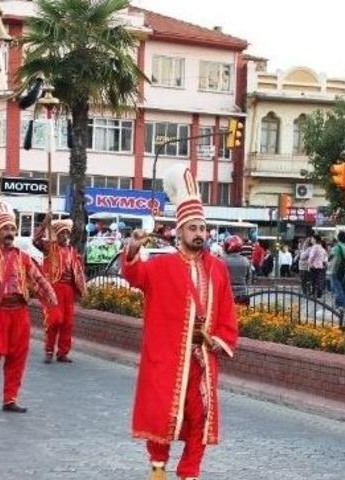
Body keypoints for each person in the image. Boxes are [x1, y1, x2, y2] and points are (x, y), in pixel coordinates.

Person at [122, 166, 238, 480]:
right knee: (162, 415)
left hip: (202, 358)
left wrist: (220, 339)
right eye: (193, 228)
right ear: (180, 231)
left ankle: (189, 473)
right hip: (168, 358)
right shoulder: (161, 265)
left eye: (203, 228)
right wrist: (133, 249)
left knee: (200, 418)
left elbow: (228, 312)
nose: (199, 233)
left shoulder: (218, 269)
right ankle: (158, 470)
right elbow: (134, 275)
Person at [0, 202, 57, 414]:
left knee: (17, 356)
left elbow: (38, 279)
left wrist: (51, 296)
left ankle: (10, 399)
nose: (9, 233)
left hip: (19, 312)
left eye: (12, 229)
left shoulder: (23, 257)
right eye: (5, 229)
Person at [33, 217, 86, 364]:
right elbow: (35, 240)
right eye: (62, 233)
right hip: (54, 289)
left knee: (67, 323)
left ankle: (63, 353)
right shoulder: (49, 247)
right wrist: (45, 223)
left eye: (67, 234)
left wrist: (81, 290)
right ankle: (49, 350)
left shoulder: (73, 251)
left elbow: (79, 271)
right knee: (54, 320)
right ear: (57, 235)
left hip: (68, 290)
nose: (65, 236)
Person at [222, 235, 251, 304]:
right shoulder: (245, 260)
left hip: (226, 294)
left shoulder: (222, 260)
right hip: (242, 293)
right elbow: (249, 277)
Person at [328, 231, 345, 310]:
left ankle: (344, 305)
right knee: (341, 286)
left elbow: (336, 260)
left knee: (337, 288)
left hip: (336, 269)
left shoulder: (337, 247)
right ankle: (338, 305)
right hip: (343, 269)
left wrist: (332, 270)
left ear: (338, 238)